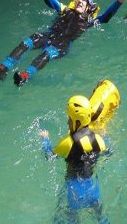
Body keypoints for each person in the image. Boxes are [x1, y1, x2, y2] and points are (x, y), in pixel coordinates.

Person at [39, 95, 109, 223]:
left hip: (74, 190)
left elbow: (49, 156)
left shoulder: (68, 144)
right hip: (93, 187)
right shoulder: (99, 140)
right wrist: (106, 136)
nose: (67, 122)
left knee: (67, 216)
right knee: (100, 216)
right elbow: (107, 153)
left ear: (77, 122)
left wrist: (45, 140)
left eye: (70, 119)